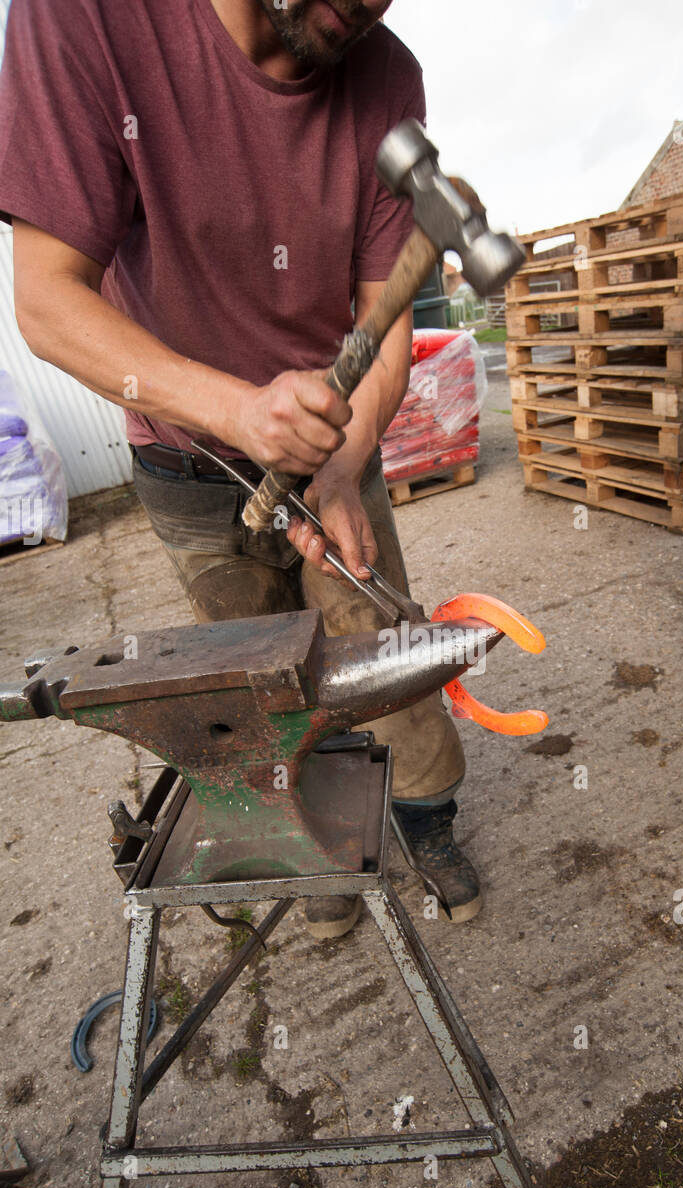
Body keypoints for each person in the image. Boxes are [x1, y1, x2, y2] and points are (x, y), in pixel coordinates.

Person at [0, 0, 483, 936]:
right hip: (184, 460)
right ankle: (321, 861)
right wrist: (238, 411)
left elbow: (380, 324)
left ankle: (429, 820)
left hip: (329, 453)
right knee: (260, 690)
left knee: (386, 649)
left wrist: (340, 472)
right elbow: (48, 303)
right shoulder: (83, 17)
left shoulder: (385, 78)